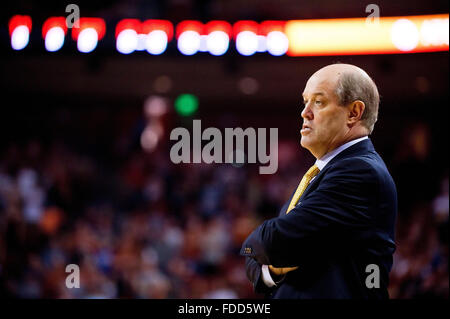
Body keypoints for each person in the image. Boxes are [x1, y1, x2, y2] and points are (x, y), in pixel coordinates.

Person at [241, 63, 397, 299]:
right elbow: (260, 257)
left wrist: (258, 245)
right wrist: (270, 265)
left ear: (354, 112)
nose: (305, 112)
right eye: (305, 102)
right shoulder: (324, 170)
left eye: (319, 102)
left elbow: (272, 241)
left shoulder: (359, 171)